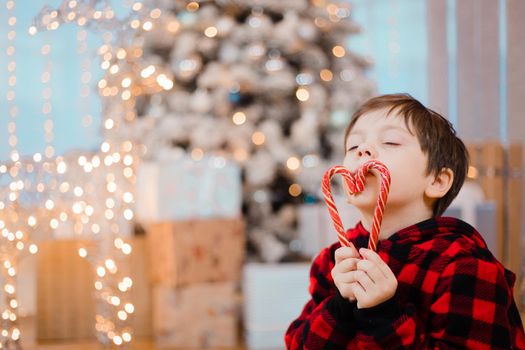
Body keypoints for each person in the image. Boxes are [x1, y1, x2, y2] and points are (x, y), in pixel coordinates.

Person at [285, 94, 525, 349]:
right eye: (354, 147)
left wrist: (383, 315)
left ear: (437, 181)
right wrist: (340, 306)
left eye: (390, 142)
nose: (363, 150)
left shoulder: (465, 266)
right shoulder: (334, 260)